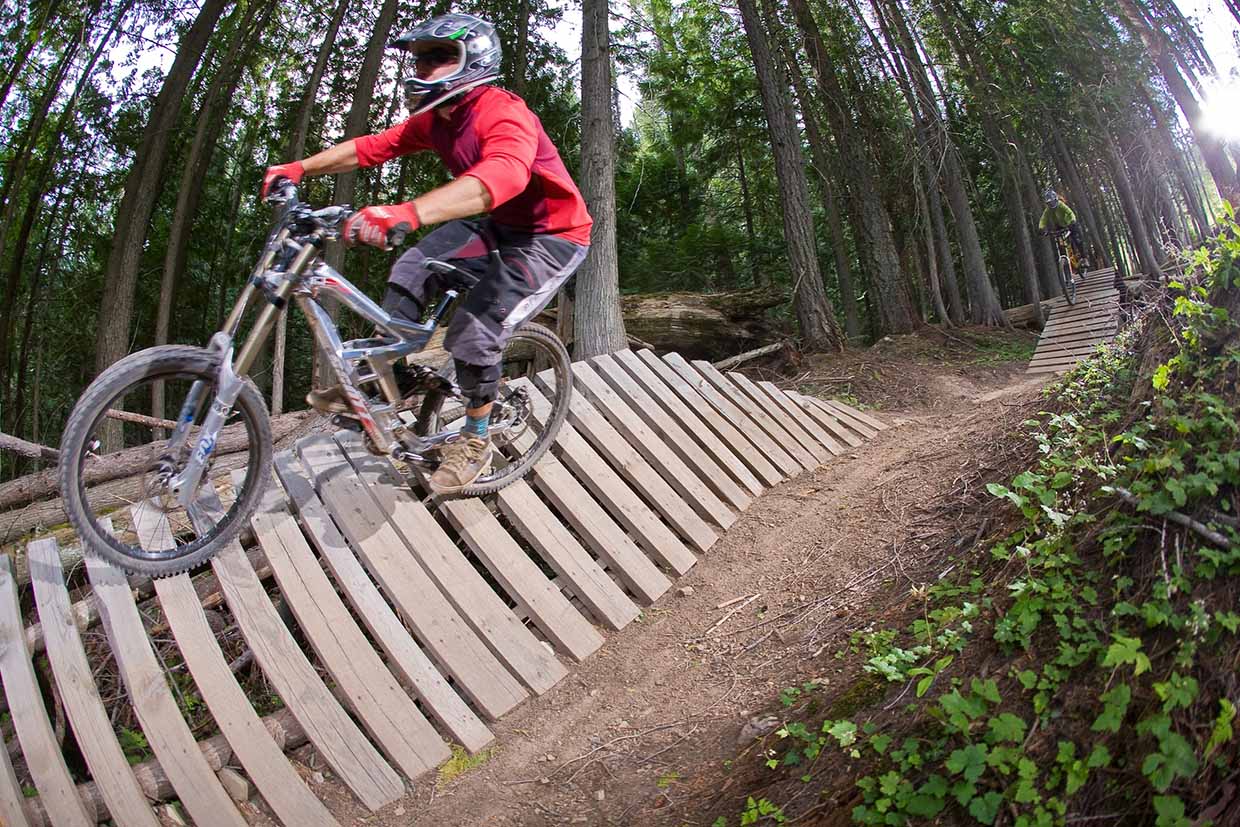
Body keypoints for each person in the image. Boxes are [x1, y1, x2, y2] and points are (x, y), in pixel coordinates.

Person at [261, 13, 592, 494]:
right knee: (413, 267)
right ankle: (388, 378)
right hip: (496, 225)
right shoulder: (440, 118)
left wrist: (409, 212)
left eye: (439, 58)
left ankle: (476, 439)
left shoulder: (501, 111)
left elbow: (504, 176)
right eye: (419, 59)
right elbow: (373, 147)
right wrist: (300, 167)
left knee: (475, 331)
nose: (424, 69)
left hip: (550, 236)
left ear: (471, 62)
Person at [1038, 188, 1088, 269]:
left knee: (1077, 239)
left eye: (1052, 202)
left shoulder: (1061, 205)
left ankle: (1084, 258)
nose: (1051, 204)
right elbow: (1043, 219)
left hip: (1070, 223)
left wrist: (1072, 221)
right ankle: (1066, 261)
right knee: (1059, 242)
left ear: (1055, 199)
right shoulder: (1048, 209)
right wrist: (1041, 228)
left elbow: (1070, 212)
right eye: (1049, 203)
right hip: (1059, 226)